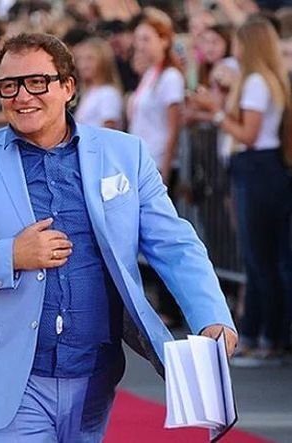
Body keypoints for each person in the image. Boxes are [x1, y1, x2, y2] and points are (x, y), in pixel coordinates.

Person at [0, 32, 238, 442]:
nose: (22, 96)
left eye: (37, 82)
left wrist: (212, 317)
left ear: (68, 87)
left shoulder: (125, 154)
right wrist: (10, 255)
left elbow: (175, 245)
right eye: (9, 85)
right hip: (9, 378)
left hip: (95, 378)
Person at [191, 15, 292, 366]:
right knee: (263, 259)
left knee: (259, 259)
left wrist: (217, 112)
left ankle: (265, 337)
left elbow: (248, 134)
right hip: (261, 169)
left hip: (257, 167)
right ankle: (263, 335)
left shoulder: (256, 83)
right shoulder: (263, 80)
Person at [128, 7, 186, 328]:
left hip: (160, 165)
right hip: (144, 165)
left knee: (163, 236)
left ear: (164, 40)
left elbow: (173, 127)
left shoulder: (170, 77)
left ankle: (171, 306)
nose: (140, 45)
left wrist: (164, 167)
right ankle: (160, 302)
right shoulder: (149, 75)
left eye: (146, 39)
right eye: (138, 39)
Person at [74, 37, 124, 130]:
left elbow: (109, 129)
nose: (83, 65)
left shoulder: (108, 93)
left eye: (90, 59)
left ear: (103, 61)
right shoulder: (88, 93)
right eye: (80, 59)